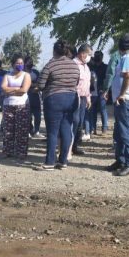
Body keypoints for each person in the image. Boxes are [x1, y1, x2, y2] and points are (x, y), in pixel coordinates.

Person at [35, 41, 80, 170]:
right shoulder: (74, 65)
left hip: (54, 99)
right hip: (71, 98)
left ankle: (49, 162)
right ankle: (63, 161)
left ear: (54, 51)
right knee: (66, 129)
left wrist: (37, 87)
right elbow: (76, 81)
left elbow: (41, 84)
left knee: (52, 132)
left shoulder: (51, 64)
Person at [107, 33, 129, 177]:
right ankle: (120, 160)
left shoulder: (128, 58)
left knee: (127, 132)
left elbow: (128, 76)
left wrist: (121, 94)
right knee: (120, 132)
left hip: (126, 100)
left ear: (121, 46)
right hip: (128, 99)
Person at [0, 56, 32, 160]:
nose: (20, 65)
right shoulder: (7, 75)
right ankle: (7, 151)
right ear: (13, 64)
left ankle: (21, 152)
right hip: (8, 105)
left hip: (22, 106)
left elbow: (24, 90)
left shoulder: (26, 75)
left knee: (22, 130)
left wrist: (10, 90)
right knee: (8, 130)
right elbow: (3, 88)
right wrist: (17, 88)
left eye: (21, 63)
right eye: (18, 63)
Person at [72, 44, 93, 156]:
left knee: (80, 123)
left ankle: (75, 146)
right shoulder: (74, 64)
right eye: (89, 54)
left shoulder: (86, 66)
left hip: (84, 98)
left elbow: (87, 84)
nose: (90, 57)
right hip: (75, 97)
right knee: (74, 122)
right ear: (82, 53)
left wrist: (88, 98)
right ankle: (68, 147)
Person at [88, 51, 108, 135]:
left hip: (101, 91)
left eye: (98, 56)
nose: (97, 57)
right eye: (96, 55)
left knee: (103, 110)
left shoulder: (105, 67)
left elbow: (107, 79)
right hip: (93, 91)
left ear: (102, 57)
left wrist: (106, 90)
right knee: (93, 111)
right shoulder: (92, 66)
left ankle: (104, 128)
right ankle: (93, 128)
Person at [25, 57, 43, 139]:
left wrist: (31, 85)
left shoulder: (35, 72)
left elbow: (40, 82)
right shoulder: (22, 73)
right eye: (29, 61)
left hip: (35, 96)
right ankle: (28, 131)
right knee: (27, 116)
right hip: (26, 96)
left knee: (38, 115)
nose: (30, 63)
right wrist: (32, 84)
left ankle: (37, 131)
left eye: (31, 61)